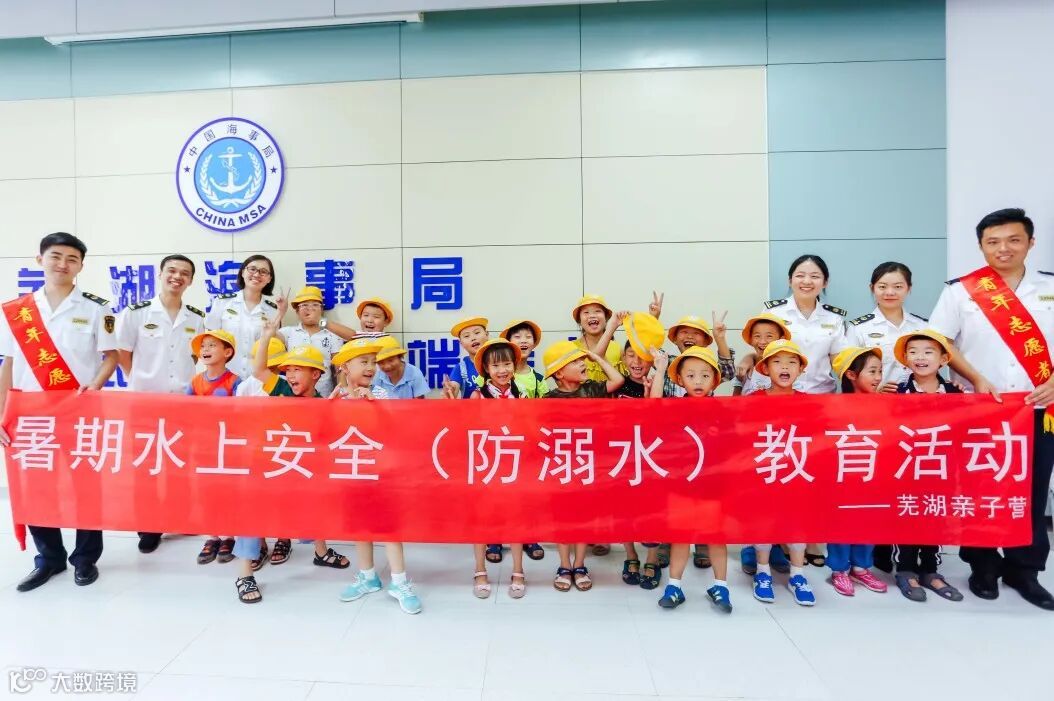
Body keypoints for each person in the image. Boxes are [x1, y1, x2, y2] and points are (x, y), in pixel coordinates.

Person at [928, 207, 1054, 610]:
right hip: (981, 407)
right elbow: (939, 341)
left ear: (1030, 243)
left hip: (1039, 408)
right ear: (981, 246)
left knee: (1032, 489)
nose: (1004, 248)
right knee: (979, 488)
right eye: (993, 241)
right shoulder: (961, 291)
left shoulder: (1050, 288)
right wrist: (975, 377)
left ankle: (1025, 569)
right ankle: (982, 564)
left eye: (1013, 240)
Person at [0, 232, 118, 592]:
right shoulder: (17, 310)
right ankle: (49, 558)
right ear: (40, 260)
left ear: (81, 265)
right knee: (38, 488)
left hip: (79, 412)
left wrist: (95, 384)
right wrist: (2, 412)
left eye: (72, 258)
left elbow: (110, 357)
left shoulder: (97, 308)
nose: (63, 264)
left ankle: (85, 558)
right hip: (30, 414)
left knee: (86, 486)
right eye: (55, 256)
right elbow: (8, 363)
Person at [744, 255, 848, 568]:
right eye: (800, 275)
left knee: (804, 475)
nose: (807, 281)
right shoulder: (774, 313)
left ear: (825, 282)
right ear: (790, 280)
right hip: (774, 403)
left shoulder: (834, 319)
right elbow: (760, 347)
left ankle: (803, 541)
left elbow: (842, 360)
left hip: (816, 406)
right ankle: (764, 544)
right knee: (769, 471)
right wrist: (747, 358)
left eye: (815, 276)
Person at [114, 254, 204, 554]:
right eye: (172, 271)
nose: (177, 277)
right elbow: (122, 352)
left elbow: (195, 356)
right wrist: (138, 379)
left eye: (184, 273)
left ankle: (180, 517)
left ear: (190, 281)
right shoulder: (136, 313)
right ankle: (149, 525)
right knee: (147, 466)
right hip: (145, 402)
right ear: (161, 274)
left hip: (183, 403)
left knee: (179, 463)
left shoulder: (195, 317)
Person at [333, 337, 423, 614]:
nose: (371, 367)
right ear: (345, 367)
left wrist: (374, 405)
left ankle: (399, 581)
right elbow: (329, 432)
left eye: (373, 362)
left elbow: (396, 428)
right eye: (364, 362)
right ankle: (368, 577)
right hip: (353, 471)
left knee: (389, 527)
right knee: (361, 526)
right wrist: (334, 406)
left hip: (383, 473)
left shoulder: (381, 394)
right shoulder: (337, 397)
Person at [649, 345, 732, 612]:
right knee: (681, 535)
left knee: (716, 537)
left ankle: (721, 586)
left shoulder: (722, 410)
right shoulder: (675, 407)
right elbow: (653, 407)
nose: (698, 381)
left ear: (715, 380)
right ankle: (674, 585)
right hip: (682, 485)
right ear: (679, 379)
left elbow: (733, 445)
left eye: (705, 375)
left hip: (713, 486)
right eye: (691, 375)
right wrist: (660, 369)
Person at [542, 336, 625, 592]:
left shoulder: (592, 388)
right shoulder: (547, 399)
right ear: (559, 373)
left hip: (587, 464)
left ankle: (579, 565)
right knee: (562, 518)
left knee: (583, 516)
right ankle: (564, 565)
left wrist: (596, 357)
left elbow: (617, 380)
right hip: (561, 467)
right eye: (576, 361)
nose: (582, 364)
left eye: (582, 359)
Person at [889, 330, 965, 603]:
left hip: (942, 468)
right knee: (908, 515)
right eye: (913, 352)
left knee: (936, 515)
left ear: (943, 359)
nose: (920, 357)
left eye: (928, 352)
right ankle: (906, 569)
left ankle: (931, 570)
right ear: (905, 359)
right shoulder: (897, 392)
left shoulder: (955, 392)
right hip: (908, 467)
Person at [750, 339, 816, 606]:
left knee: (797, 524)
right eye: (777, 362)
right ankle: (762, 572)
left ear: (801, 369)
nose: (784, 367)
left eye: (791, 362)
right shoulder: (754, 400)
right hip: (764, 474)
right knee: (763, 522)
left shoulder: (808, 403)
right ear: (766, 369)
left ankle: (797, 574)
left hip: (796, 474)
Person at [467, 339, 531, 599]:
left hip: (513, 465)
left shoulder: (522, 394)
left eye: (507, 364)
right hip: (485, 465)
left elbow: (529, 429)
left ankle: (518, 570)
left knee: (515, 518)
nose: (502, 370)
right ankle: (480, 570)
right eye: (495, 366)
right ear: (486, 369)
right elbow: (468, 430)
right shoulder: (477, 396)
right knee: (481, 519)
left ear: (514, 365)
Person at [825, 347, 890, 597]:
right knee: (841, 521)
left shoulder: (884, 405)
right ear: (851, 375)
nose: (878, 377)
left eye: (880, 371)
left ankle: (861, 567)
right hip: (843, 475)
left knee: (868, 519)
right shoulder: (833, 407)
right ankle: (839, 569)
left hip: (873, 474)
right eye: (872, 371)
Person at [187, 329, 243, 565]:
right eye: (203, 346)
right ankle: (212, 536)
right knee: (206, 491)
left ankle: (229, 536)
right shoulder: (195, 382)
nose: (205, 350)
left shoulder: (236, 382)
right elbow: (184, 412)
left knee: (227, 491)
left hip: (228, 448)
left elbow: (242, 414)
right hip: (204, 447)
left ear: (227, 352)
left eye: (212, 345)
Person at [845, 262, 928, 392]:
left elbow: (933, 365)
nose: (890, 292)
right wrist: (875, 391)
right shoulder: (858, 328)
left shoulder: (923, 326)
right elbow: (850, 373)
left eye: (898, 287)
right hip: (876, 400)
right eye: (882, 287)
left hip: (918, 399)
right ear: (872, 288)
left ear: (909, 288)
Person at [204, 255, 280, 380]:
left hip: (258, 380)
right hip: (224, 378)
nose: (257, 274)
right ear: (243, 272)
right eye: (252, 269)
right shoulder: (222, 302)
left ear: (269, 279)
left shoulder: (273, 311)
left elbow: (274, 348)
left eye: (263, 272)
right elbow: (209, 341)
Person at [279, 285, 356, 399]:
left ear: (322, 310)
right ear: (297, 311)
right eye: (304, 305)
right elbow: (267, 337)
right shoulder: (288, 332)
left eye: (315, 305)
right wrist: (280, 313)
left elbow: (340, 367)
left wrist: (343, 395)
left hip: (324, 397)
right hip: (294, 395)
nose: (310, 309)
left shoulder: (332, 334)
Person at [442, 316, 489, 399]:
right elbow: (453, 388)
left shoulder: (501, 362)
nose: (473, 338)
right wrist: (450, 390)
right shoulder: (461, 368)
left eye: (477, 333)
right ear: (461, 343)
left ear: (487, 334)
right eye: (467, 336)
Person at [500, 319, 549, 398]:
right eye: (517, 337)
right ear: (508, 342)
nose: (523, 341)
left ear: (534, 343)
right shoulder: (494, 374)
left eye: (528, 337)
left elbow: (546, 405)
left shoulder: (538, 380)